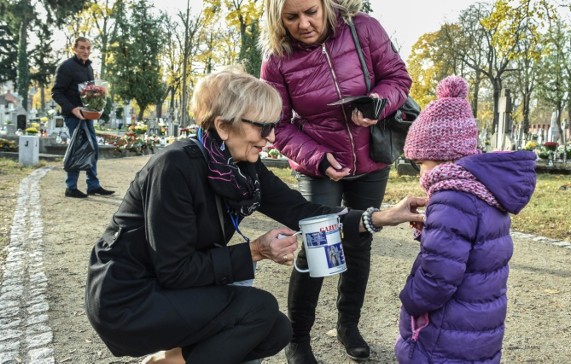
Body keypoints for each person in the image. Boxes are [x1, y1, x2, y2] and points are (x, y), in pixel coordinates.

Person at [84, 66, 426, 364]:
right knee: (258, 310)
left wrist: (380, 217)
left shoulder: (242, 168)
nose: (272, 138)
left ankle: (168, 361)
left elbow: (303, 211)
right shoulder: (175, 167)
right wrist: (256, 251)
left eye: (274, 126)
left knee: (275, 330)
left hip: (165, 287)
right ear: (222, 126)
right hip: (129, 298)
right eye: (263, 127)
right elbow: (175, 270)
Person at [260, 0, 413, 363]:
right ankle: (298, 339)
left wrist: (378, 104)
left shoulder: (364, 28)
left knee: (358, 241)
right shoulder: (277, 59)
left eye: (311, 12)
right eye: (291, 17)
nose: (304, 24)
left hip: (371, 159)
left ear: (326, 2)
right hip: (318, 162)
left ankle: (348, 326)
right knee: (316, 246)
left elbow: (397, 77)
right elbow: (277, 124)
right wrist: (315, 158)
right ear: (279, 18)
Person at [394, 76, 537, 363]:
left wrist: (411, 300)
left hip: (445, 335)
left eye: (421, 162)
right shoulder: (484, 189)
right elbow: (471, 249)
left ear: (440, 156)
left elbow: (439, 274)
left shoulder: (450, 196)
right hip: (477, 329)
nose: (421, 172)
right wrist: (430, 233)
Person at [52, 37, 114, 198]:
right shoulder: (66, 67)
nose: (86, 51)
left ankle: (92, 185)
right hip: (73, 116)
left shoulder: (89, 67)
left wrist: (97, 105)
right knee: (77, 150)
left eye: (88, 48)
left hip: (87, 116)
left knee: (93, 148)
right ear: (74, 49)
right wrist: (72, 109)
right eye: (82, 48)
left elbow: (89, 92)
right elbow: (56, 92)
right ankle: (70, 187)